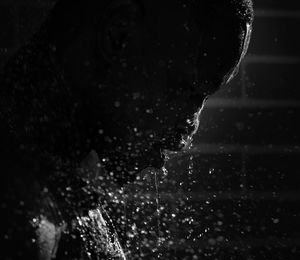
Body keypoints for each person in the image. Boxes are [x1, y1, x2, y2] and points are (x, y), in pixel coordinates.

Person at [0, 0, 254, 259]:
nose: (188, 131)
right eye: (187, 91)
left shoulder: (52, 189)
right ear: (118, 35)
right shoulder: (22, 213)